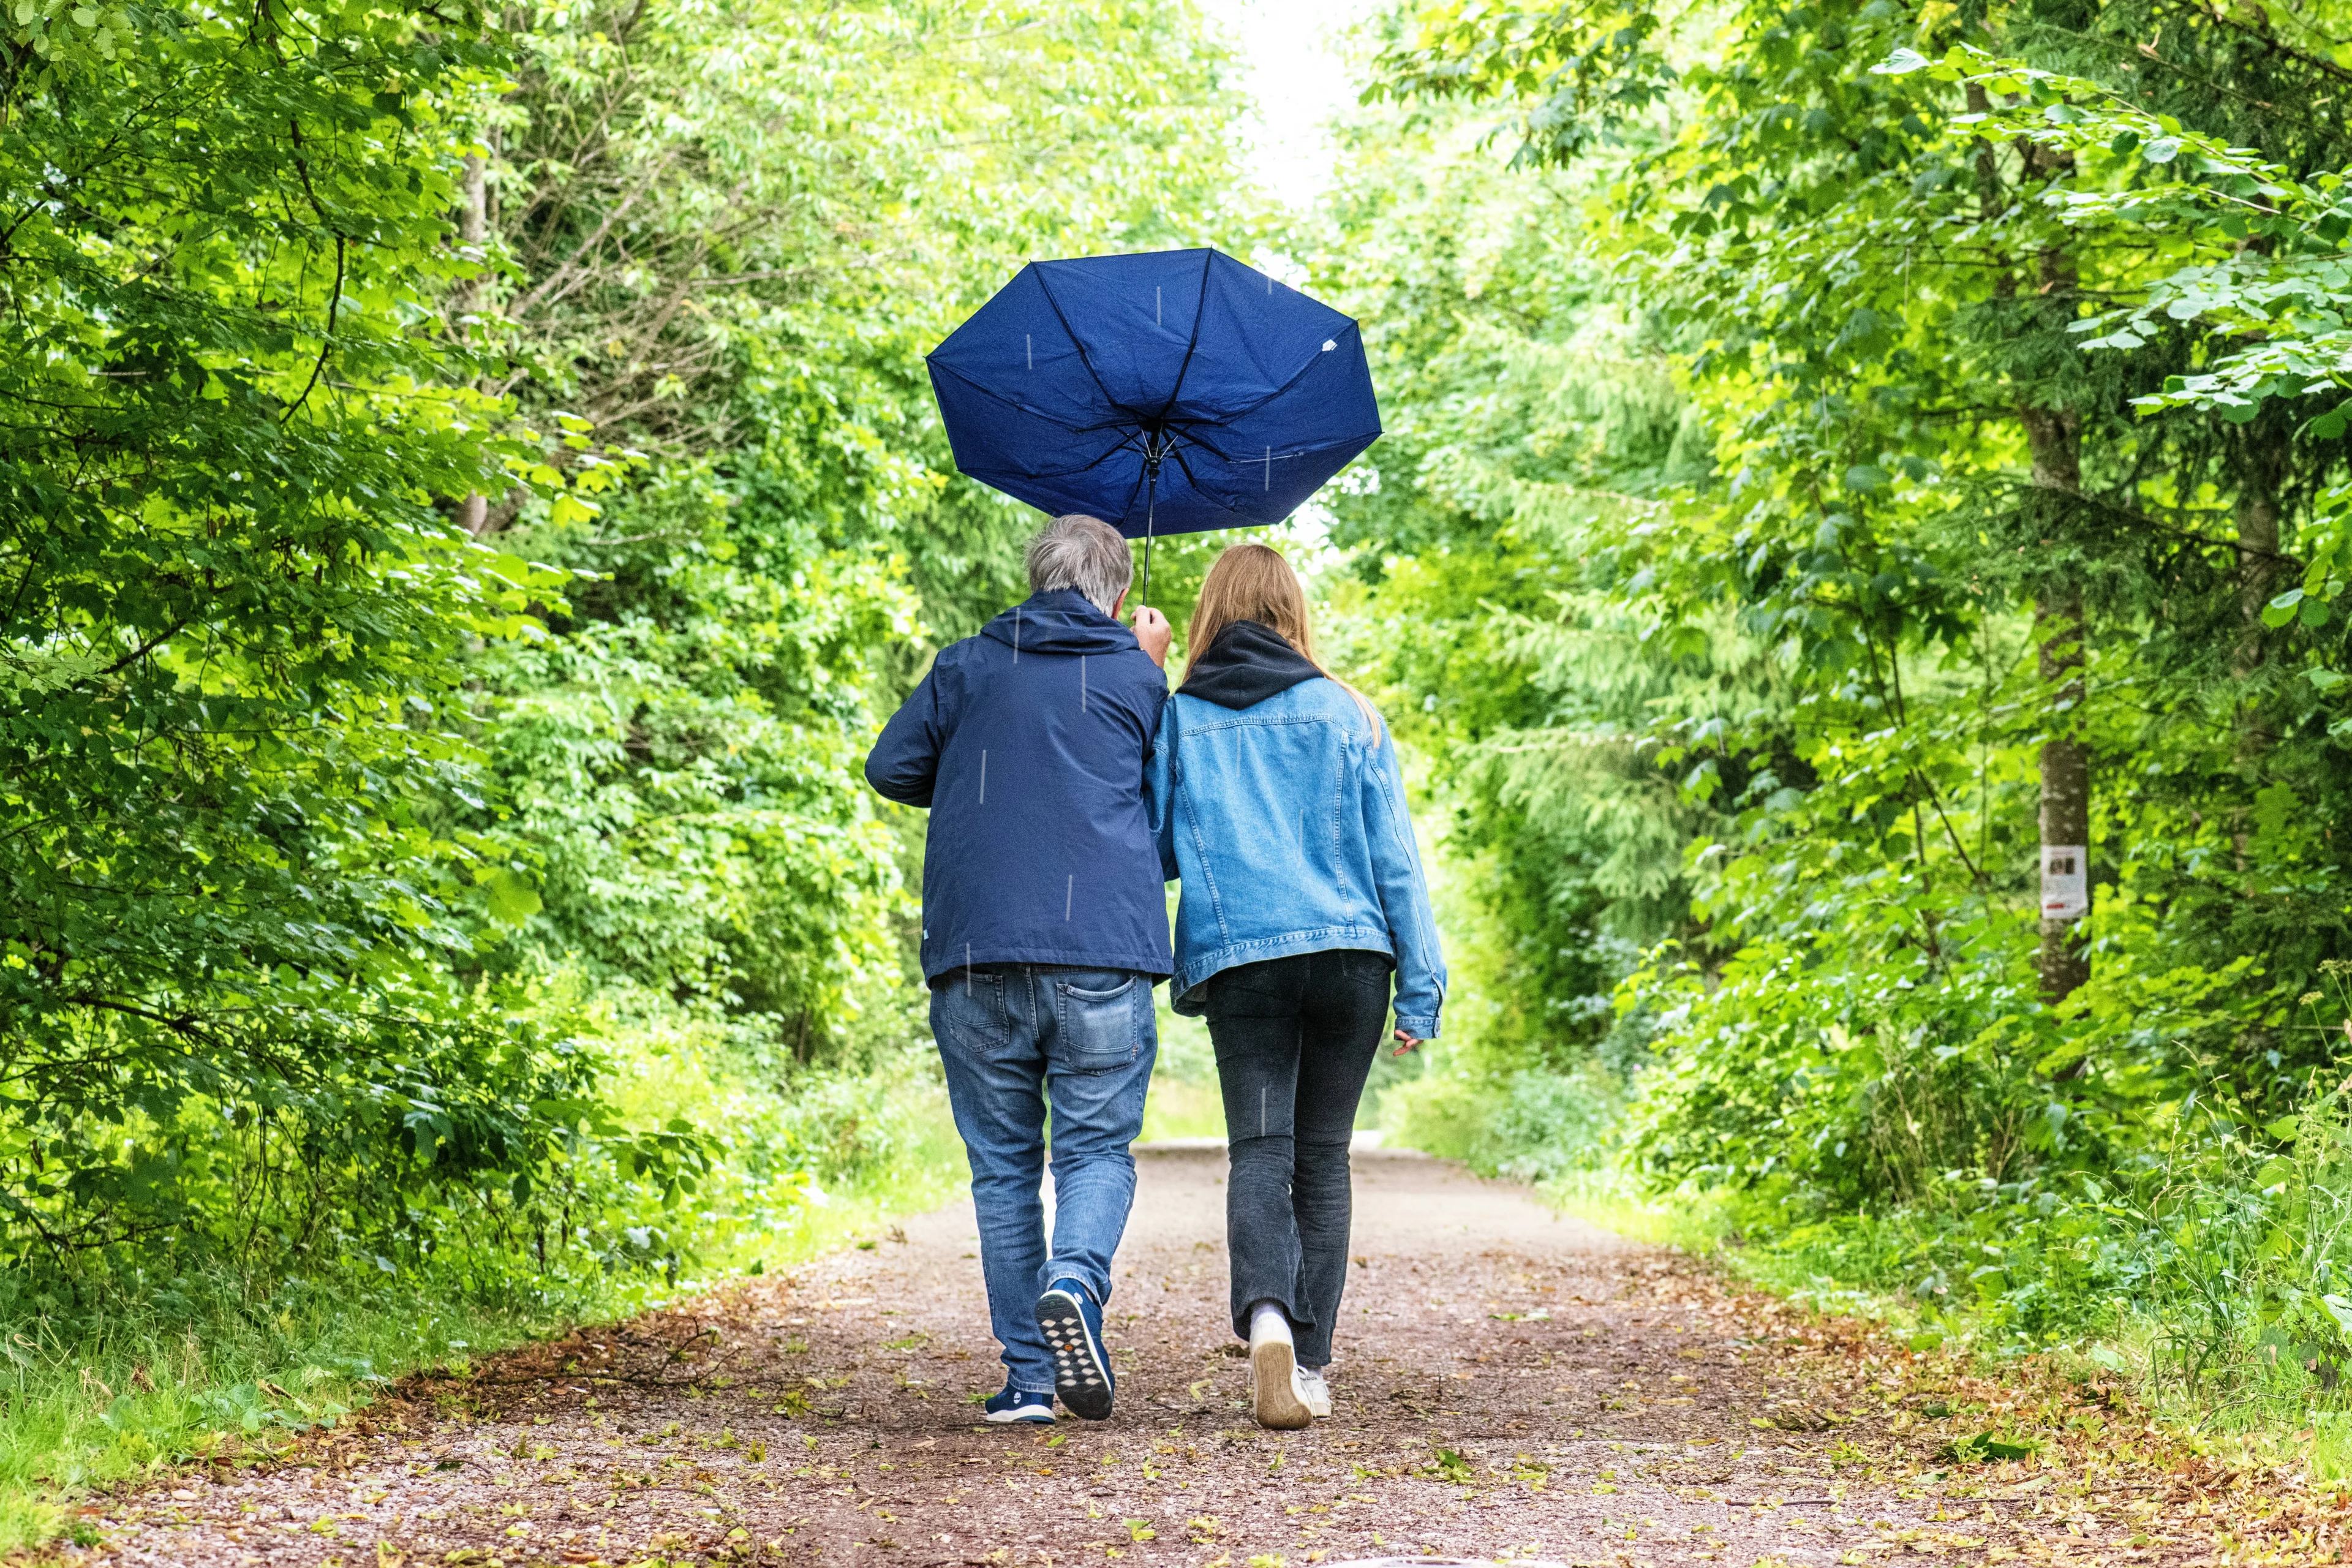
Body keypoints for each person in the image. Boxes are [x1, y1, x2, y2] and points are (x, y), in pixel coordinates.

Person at [864, 514, 1173, 1425]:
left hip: (977, 950)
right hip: (1101, 947)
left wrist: (982, 775)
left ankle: (1030, 1382)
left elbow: (891, 767)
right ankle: (1074, 1282)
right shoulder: (1136, 675)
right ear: (1118, 593)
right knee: (1094, 1152)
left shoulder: (966, 666)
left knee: (1002, 1171)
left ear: (1038, 578)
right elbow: (1166, 798)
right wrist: (1146, 664)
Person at [1145, 542, 1445, 1430]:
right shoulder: (1349, 713)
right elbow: (1397, 862)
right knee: (1322, 1158)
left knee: (1261, 1152)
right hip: (1352, 959)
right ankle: (1309, 1365)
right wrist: (1421, 988)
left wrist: (1146, 690)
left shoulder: (1181, 720)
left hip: (1244, 961)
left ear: (1209, 615)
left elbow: (1157, 849)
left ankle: (1269, 1318)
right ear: (1293, 612)